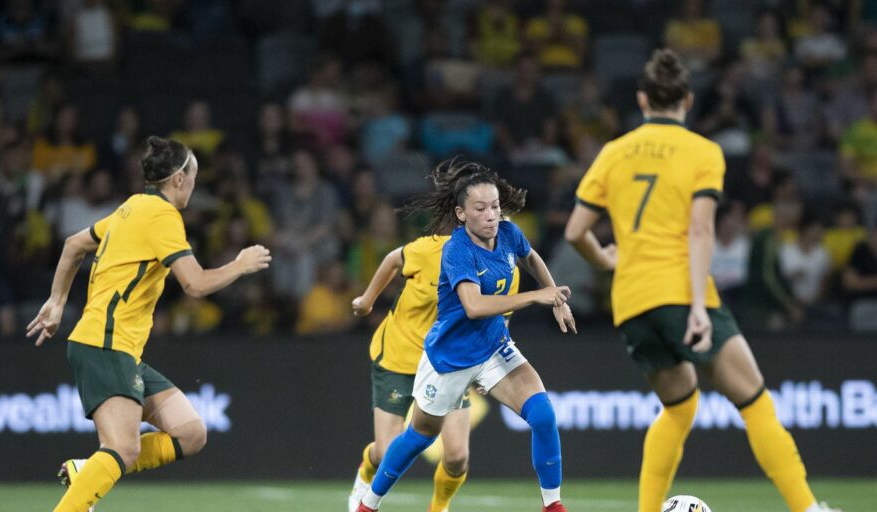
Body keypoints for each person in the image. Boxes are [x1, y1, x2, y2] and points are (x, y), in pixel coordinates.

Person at [564, 49, 839, 512]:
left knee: (679, 407)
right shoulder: (703, 151)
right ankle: (808, 510)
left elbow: (575, 232)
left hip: (631, 302)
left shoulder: (614, 152)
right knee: (754, 400)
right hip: (680, 291)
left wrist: (608, 260)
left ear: (642, 99)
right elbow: (700, 229)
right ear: (688, 101)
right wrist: (696, 306)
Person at [26, 136, 272, 512]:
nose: (194, 184)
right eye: (193, 176)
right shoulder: (161, 216)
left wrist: (57, 303)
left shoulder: (132, 207)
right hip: (105, 343)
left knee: (191, 433)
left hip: (119, 348)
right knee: (123, 448)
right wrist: (240, 264)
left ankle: (90, 470)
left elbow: (75, 244)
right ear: (178, 179)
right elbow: (195, 283)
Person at [355, 161, 578, 512]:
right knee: (418, 436)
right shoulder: (456, 250)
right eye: (480, 208)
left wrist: (555, 298)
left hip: (493, 348)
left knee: (543, 415)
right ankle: (369, 504)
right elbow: (473, 306)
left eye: (495, 206)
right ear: (461, 214)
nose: (491, 215)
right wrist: (536, 296)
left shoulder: (507, 231)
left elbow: (530, 257)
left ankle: (553, 506)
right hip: (450, 357)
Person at [347, 209, 524, 512]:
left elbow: (500, 318)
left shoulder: (507, 269)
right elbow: (393, 259)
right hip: (401, 355)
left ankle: (439, 508)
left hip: (449, 362)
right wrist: (367, 301)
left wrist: (491, 359)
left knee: (457, 457)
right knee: (388, 450)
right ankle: (367, 469)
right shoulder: (432, 249)